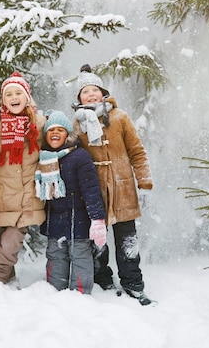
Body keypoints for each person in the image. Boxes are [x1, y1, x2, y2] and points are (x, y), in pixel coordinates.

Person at [71, 64, 154, 305]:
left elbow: (137, 151)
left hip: (122, 187)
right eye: (85, 92)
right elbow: (71, 152)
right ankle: (102, 279)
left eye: (94, 90)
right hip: (94, 191)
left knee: (128, 240)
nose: (91, 95)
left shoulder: (119, 117)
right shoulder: (78, 123)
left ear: (103, 92)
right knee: (97, 240)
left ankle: (133, 283)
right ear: (79, 98)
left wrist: (144, 178)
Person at [36, 110, 107, 294]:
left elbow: (91, 190)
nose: (55, 133)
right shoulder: (44, 157)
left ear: (68, 134)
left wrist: (97, 220)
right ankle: (54, 294)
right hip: (55, 220)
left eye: (60, 130)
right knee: (55, 256)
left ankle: (81, 296)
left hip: (78, 220)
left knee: (80, 257)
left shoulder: (80, 156)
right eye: (51, 130)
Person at [0, 72, 46, 285]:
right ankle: (8, 278)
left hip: (25, 197)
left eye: (18, 93)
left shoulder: (38, 124)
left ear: (27, 97)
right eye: (8, 94)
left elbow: (59, 137)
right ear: (3, 100)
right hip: (0, 193)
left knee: (11, 244)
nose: (13, 97)